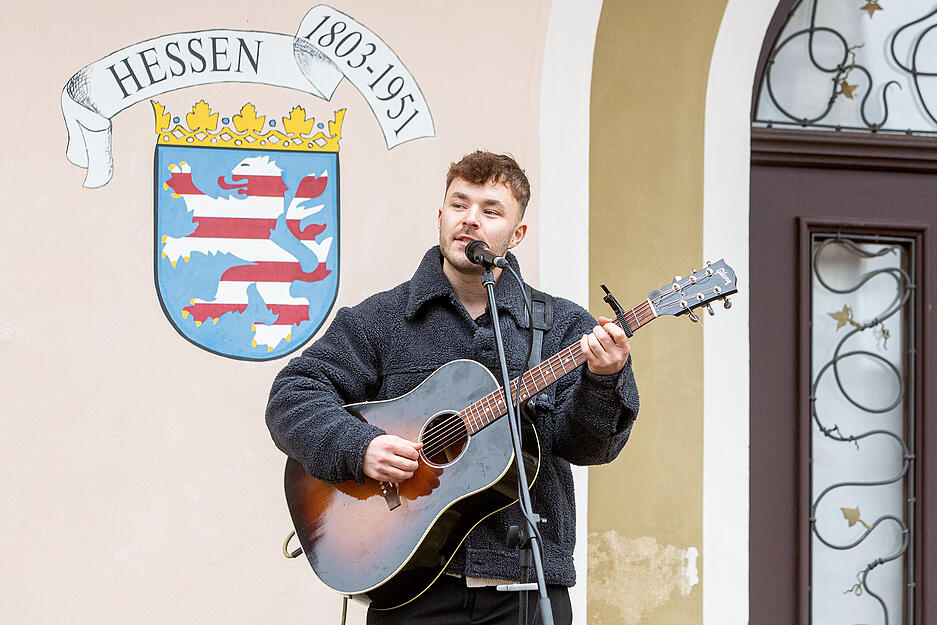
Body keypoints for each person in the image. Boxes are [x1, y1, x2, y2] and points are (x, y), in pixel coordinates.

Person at [266, 151, 639, 625]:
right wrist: (359, 447)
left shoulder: (561, 326)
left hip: (526, 587)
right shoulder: (383, 320)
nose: (471, 221)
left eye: (490, 210)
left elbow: (590, 447)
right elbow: (293, 395)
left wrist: (603, 380)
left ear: (517, 233)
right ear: (440, 216)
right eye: (460, 205)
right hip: (412, 588)